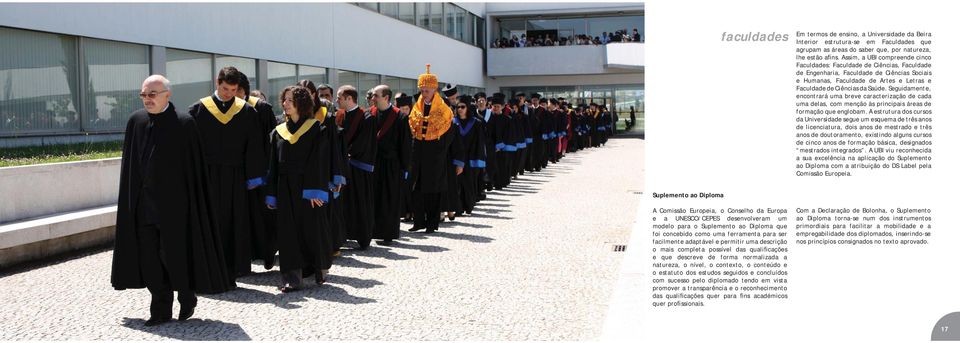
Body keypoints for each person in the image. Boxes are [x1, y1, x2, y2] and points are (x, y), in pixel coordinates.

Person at [112, 75, 231, 327]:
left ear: (167, 94)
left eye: (152, 94)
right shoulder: (136, 121)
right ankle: (160, 309)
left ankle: (186, 295)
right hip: (144, 206)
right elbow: (130, 165)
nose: (147, 99)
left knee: (174, 257)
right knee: (150, 259)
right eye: (144, 95)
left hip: (175, 208)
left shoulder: (185, 123)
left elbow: (195, 171)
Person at [187, 66, 266, 280]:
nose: (228, 94)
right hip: (208, 175)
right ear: (217, 83)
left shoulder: (247, 111)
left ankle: (233, 270)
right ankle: (207, 267)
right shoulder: (198, 110)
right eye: (224, 89)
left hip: (236, 176)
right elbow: (190, 147)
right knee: (209, 219)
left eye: (232, 90)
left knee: (235, 221)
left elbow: (254, 146)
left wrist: (253, 177)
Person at [265, 85, 334, 292]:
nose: (284, 104)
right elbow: (273, 164)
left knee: (311, 229)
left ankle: (319, 268)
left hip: (307, 186)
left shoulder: (316, 129)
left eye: (289, 100)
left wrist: (315, 191)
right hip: (285, 186)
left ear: (301, 103)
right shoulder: (278, 131)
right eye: (284, 100)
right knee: (287, 231)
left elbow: (319, 161)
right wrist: (272, 194)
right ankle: (291, 276)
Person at [407, 64, 463, 233]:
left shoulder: (444, 109)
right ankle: (418, 221)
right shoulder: (416, 107)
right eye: (422, 90)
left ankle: (432, 223)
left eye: (427, 90)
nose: (424, 94)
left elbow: (449, 133)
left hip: (435, 153)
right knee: (416, 186)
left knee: (433, 189)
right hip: (418, 152)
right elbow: (412, 126)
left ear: (434, 89)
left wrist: (439, 150)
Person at [237, 71, 278, 271]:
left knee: (263, 218)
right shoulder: (229, 108)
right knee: (245, 218)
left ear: (243, 91)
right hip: (239, 172)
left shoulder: (261, 108)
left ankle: (267, 253)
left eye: (235, 90)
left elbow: (271, 142)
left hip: (261, 173)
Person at [338, 85, 378, 249]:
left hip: (359, 168)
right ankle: (344, 234)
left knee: (360, 203)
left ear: (349, 98)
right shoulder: (339, 116)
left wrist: (346, 153)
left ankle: (363, 237)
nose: (337, 100)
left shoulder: (367, 118)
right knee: (344, 204)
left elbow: (364, 143)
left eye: (340, 97)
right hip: (343, 166)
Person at [371, 85, 411, 245]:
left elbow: (405, 144)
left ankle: (388, 233)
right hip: (374, 163)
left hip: (391, 164)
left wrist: (405, 167)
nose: (372, 98)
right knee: (374, 198)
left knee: (389, 199)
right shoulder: (370, 114)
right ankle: (373, 230)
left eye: (376, 95)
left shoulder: (400, 117)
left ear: (386, 97)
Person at [453, 95, 485, 215]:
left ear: (468, 108)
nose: (460, 109)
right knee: (457, 183)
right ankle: (458, 208)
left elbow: (480, 143)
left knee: (469, 182)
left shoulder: (476, 123)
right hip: (456, 158)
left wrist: (478, 160)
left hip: (471, 157)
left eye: (462, 106)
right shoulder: (453, 122)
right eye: (458, 107)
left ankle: (469, 205)